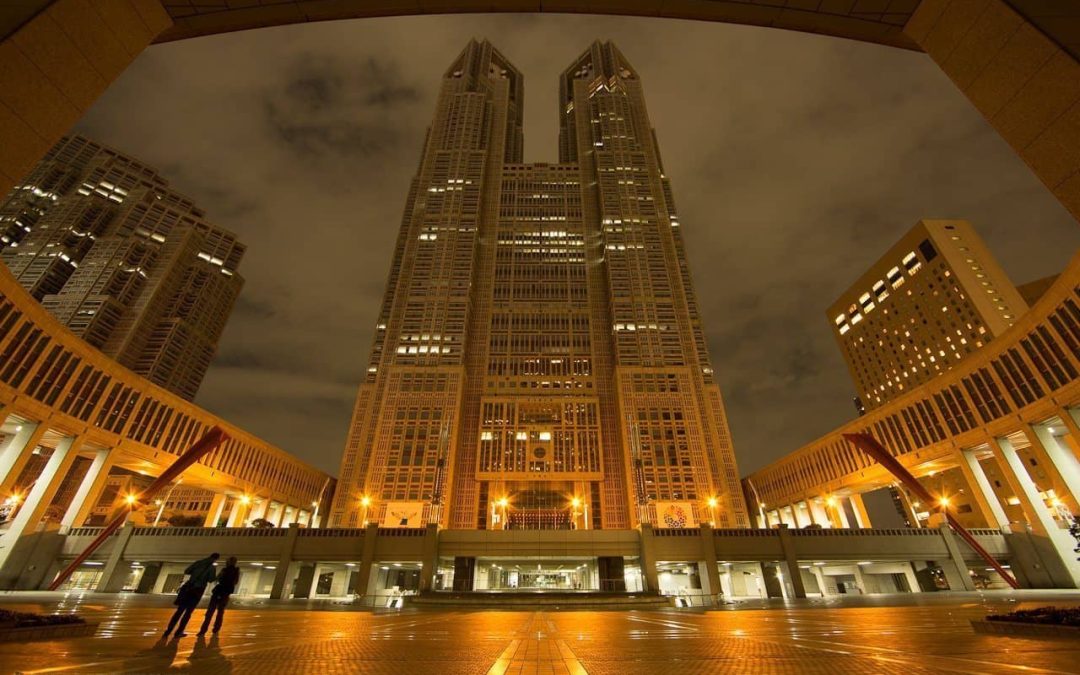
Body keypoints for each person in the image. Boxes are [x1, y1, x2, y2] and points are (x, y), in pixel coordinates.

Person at [164, 552, 219, 638]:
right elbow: (211, 579)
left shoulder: (198, 562)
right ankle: (179, 632)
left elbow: (187, 571)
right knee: (188, 613)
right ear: (216, 559)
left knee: (179, 611)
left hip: (189, 588)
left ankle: (168, 631)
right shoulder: (211, 567)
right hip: (198, 591)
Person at [198, 556, 240, 636]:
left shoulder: (224, 570)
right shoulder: (236, 571)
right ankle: (216, 629)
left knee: (210, 612)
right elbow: (235, 582)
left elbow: (217, 578)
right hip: (225, 593)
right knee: (220, 612)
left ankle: (203, 630)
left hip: (218, 592)